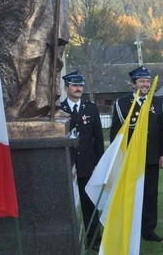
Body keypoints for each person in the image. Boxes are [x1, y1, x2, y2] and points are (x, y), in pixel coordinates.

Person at [110, 66, 163, 243]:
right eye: (142, 81)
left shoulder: (156, 102)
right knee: (131, 195)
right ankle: (130, 228)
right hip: (131, 158)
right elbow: (116, 133)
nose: (146, 84)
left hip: (151, 157)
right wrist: (119, 157)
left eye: (148, 81)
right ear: (133, 83)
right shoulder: (122, 104)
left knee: (150, 196)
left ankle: (148, 230)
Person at [59, 71, 104, 251]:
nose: (78, 89)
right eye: (74, 85)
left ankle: (94, 239)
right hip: (65, 164)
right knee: (65, 204)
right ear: (66, 87)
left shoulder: (90, 108)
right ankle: (67, 239)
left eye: (80, 85)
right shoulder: (58, 109)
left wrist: (98, 164)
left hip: (87, 164)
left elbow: (98, 138)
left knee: (89, 204)